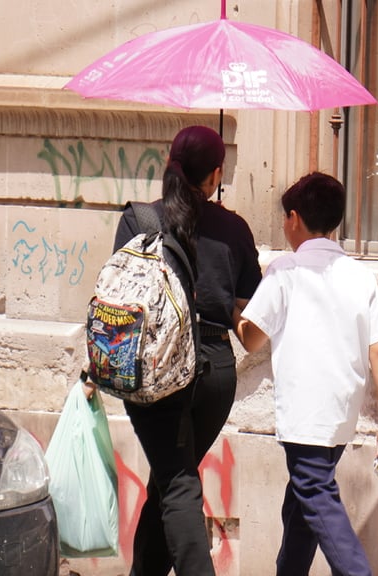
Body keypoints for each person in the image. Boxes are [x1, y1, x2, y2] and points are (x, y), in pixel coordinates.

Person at [112, 125, 263, 576]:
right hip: (215, 370)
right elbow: (249, 314)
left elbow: (120, 300)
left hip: (156, 369)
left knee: (176, 483)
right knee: (170, 479)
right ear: (216, 175)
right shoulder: (235, 229)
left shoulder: (139, 220)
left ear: (169, 164)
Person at [233, 172, 378, 576]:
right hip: (341, 412)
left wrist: (231, 310)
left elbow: (251, 339)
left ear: (294, 218)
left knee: (314, 492)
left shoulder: (285, 270)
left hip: (305, 411)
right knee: (302, 501)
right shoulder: (359, 275)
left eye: (284, 218)